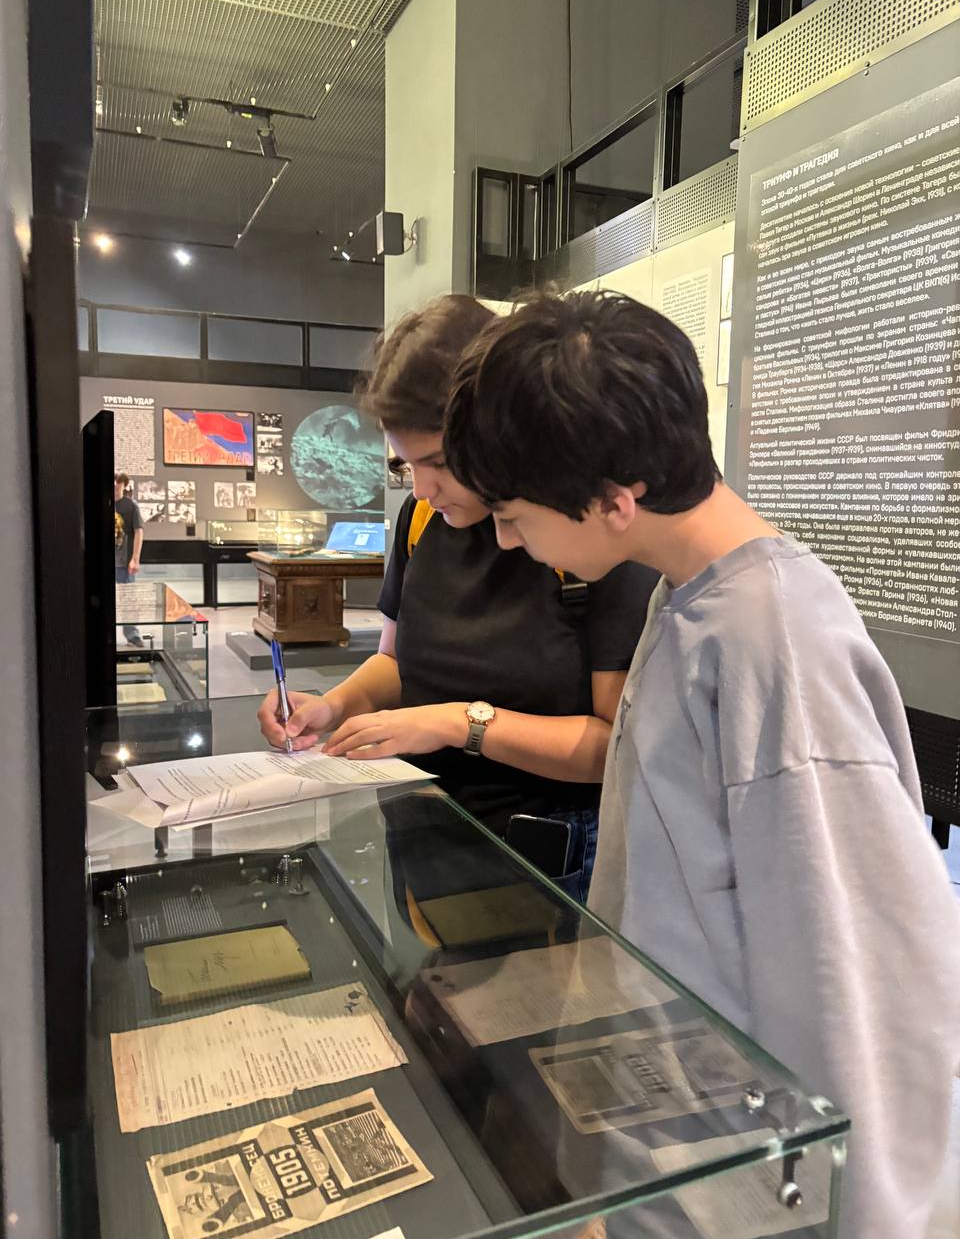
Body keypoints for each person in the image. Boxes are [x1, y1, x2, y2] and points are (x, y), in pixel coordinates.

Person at [443, 288, 960, 1239]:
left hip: (748, 1180)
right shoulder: (690, 599)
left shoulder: (775, 644)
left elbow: (860, 982)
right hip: (684, 1135)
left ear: (614, 501)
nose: (507, 538)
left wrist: (864, 1217)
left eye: (513, 514)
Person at [259, 295, 658, 900]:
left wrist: (457, 724)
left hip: (542, 853)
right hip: (423, 823)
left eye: (440, 462)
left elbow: (618, 748)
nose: (423, 488)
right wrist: (332, 707)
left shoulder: (583, 535)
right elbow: (396, 661)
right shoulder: (421, 519)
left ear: (496, 430)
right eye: (406, 466)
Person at [114, 472, 144, 647]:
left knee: (128, 599)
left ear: (123, 486)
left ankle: (132, 634)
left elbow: (139, 531)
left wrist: (135, 558)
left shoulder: (131, 506)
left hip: (124, 562)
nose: (115, 488)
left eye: (118, 486)